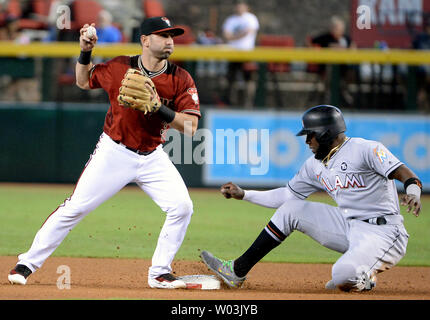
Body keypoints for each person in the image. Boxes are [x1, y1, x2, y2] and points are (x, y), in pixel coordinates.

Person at [8, 16, 201, 289]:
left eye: (172, 36)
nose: (170, 41)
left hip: (152, 156)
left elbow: (191, 126)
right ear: (145, 40)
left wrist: (159, 108)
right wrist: (85, 51)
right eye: (163, 35)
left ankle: (160, 272)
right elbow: (83, 82)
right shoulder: (120, 66)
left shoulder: (180, 78)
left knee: (182, 207)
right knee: (75, 207)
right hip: (115, 152)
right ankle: (26, 263)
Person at [201, 105, 422, 292]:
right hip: (348, 225)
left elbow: (406, 174)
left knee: (342, 277)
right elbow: (286, 196)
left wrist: (413, 193)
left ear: (325, 133)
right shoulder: (314, 165)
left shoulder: (366, 149)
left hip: (384, 232)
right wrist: (245, 194)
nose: (307, 140)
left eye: (310, 134)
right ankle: (237, 270)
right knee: (292, 209)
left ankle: (364, 276)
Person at [221, 0, 259, 108]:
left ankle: (249, 104)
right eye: (238, 6)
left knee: (249, 79)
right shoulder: (230, 19)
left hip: (247, 53)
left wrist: (234, 36)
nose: (239, 8)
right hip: (233, 53)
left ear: (246, 7)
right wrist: (235, 36)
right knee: (230, 79)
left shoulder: (251, 18)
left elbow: (248, 32)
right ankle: (230, 103)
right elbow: (226, 35)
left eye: (241, 6)